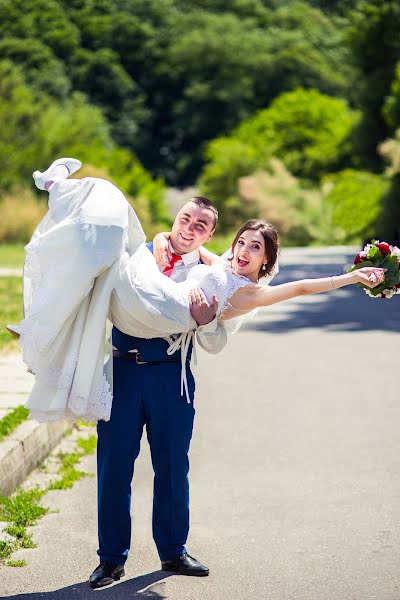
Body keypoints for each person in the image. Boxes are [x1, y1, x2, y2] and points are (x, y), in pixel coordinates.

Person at [17, 159, 386, 587]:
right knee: (114, 467)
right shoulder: (151, 256)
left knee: (172, 468)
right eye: (185, 218)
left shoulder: (234, 287)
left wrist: (352, 276)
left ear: (214, 237)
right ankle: (111, 558)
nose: (243, 251)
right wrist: (158, 240)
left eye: (254, 249)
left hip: (170, 378)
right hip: (122, 372)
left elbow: (291, 293)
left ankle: (173, 553)